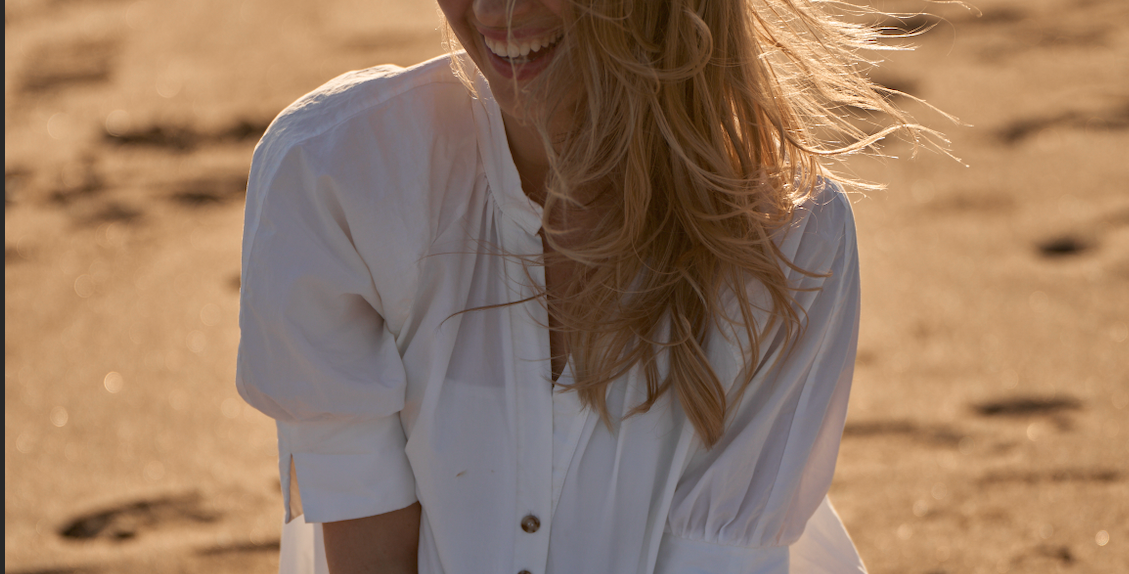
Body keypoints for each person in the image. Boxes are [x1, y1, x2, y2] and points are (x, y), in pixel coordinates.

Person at [236, 0, 940, 572]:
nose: (493, 10)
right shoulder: (340, 176)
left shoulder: (789, 243)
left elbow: (714, 559)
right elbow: (367, 546)